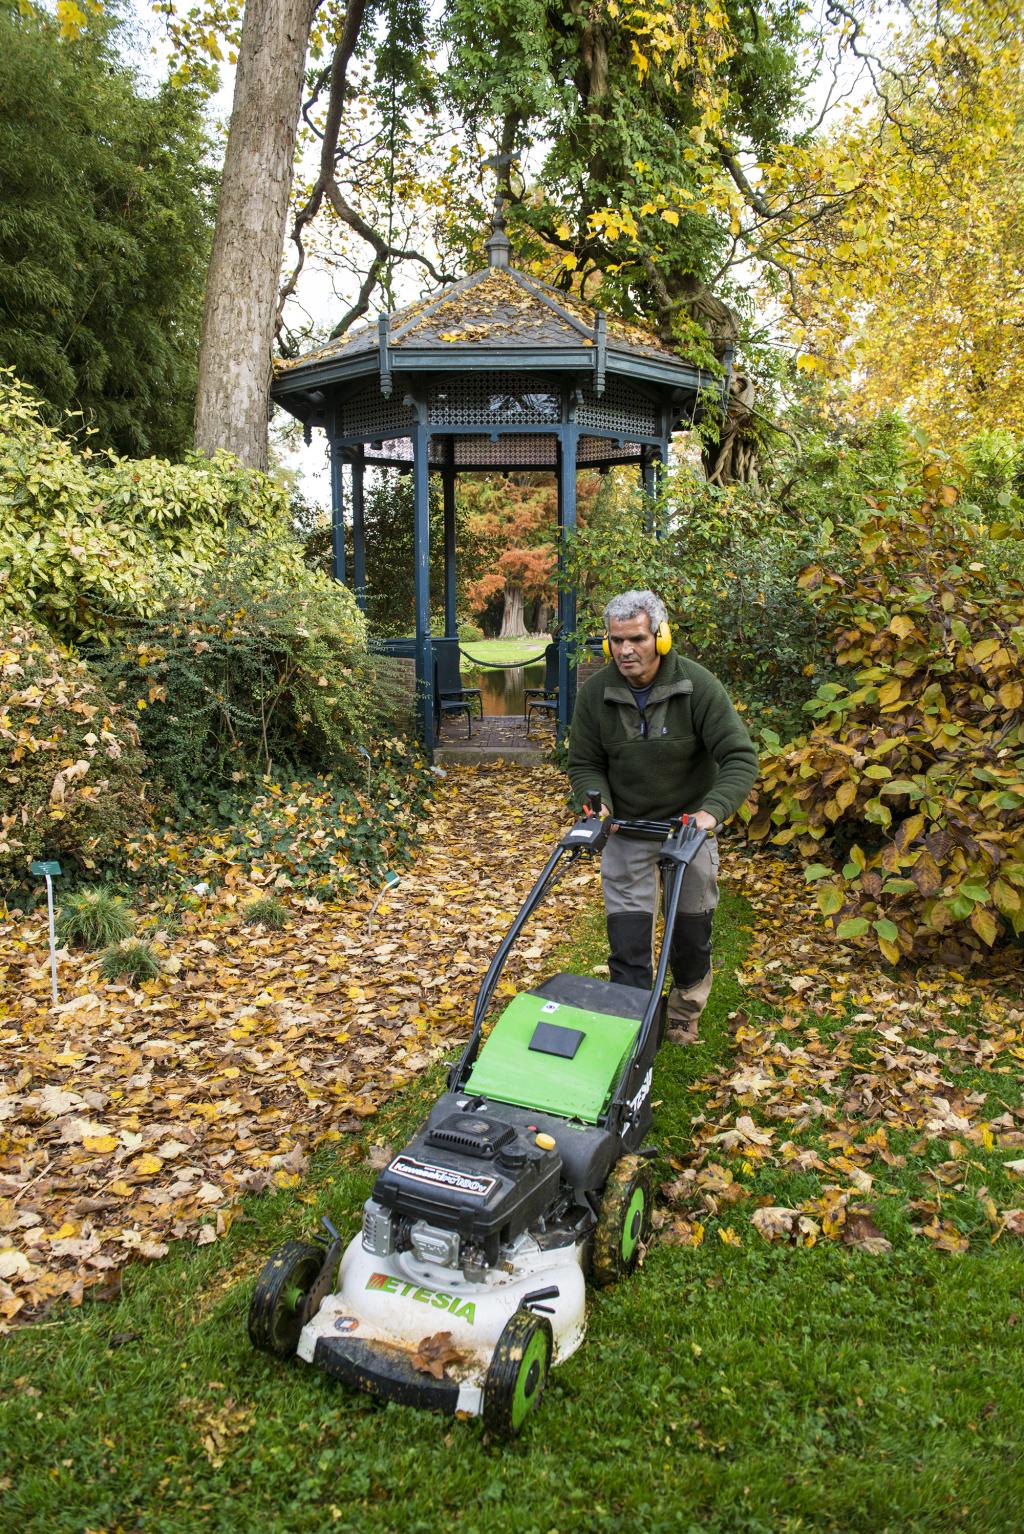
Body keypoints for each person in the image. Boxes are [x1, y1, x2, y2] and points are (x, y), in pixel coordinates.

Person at [567, 590, 758, 1041]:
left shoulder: (697, 686)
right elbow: (585, 763)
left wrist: (710, 814)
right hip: (628, 830)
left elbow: (739, 758)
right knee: (628, 937)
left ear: (661, 636)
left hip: (686, 831)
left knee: (691, 932)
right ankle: (633, 1021)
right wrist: (600, 803)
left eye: (635, 639)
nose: (625, 650)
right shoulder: (597, 694)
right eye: (615, 641)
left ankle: (683, 1011)